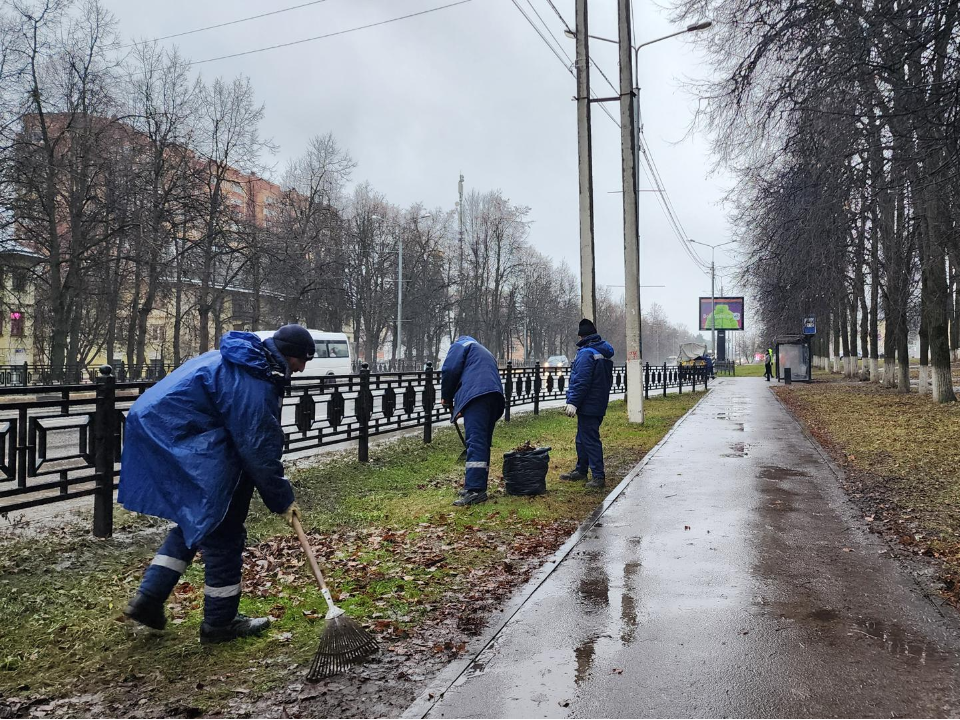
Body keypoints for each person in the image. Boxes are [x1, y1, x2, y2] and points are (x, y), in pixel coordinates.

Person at [119, 325, 314, 644]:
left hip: (168, 432)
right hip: (184, 440)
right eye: (301, 361)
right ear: (288, 355)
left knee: (195, 518)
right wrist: (282, 499)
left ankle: (148, 599)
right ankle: (219, 624)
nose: (302, 369)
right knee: (224, 532)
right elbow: (258, 449)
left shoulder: (243, 361)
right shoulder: (254, 380)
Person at [440, 336, 505, 507]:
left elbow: (450, 370)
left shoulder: (460, 345)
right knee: (481, 442)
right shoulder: (482, 350)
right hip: (494, 397)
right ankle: (477, 484)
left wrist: (446, 397)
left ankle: (475, 490)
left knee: (476, 442)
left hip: (478, 396)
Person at [560, 319, 615, 490]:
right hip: (598, 401)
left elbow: (581, 380)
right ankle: (581, 470)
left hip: (589, 403)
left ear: (581, 335)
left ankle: (598, 476)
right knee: (582, 438)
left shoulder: (585, 353)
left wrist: (573, 402)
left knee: (589, 440)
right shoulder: (602, 351)